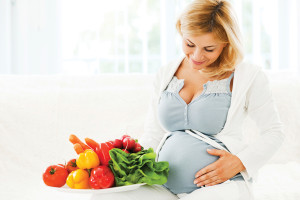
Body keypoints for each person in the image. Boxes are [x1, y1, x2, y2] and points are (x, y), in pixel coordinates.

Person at [91, 0, 284, 199]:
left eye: (209, 49)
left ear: (226, 43)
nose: (197, 56)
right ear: (180, 31)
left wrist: (239, 162)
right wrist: (130, 169)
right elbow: (154, 134)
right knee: (104, 197)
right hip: (163, 186)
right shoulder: (166, 73)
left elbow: (274, 133)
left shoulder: (248, 76)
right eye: (190, 44)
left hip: (221, 185)